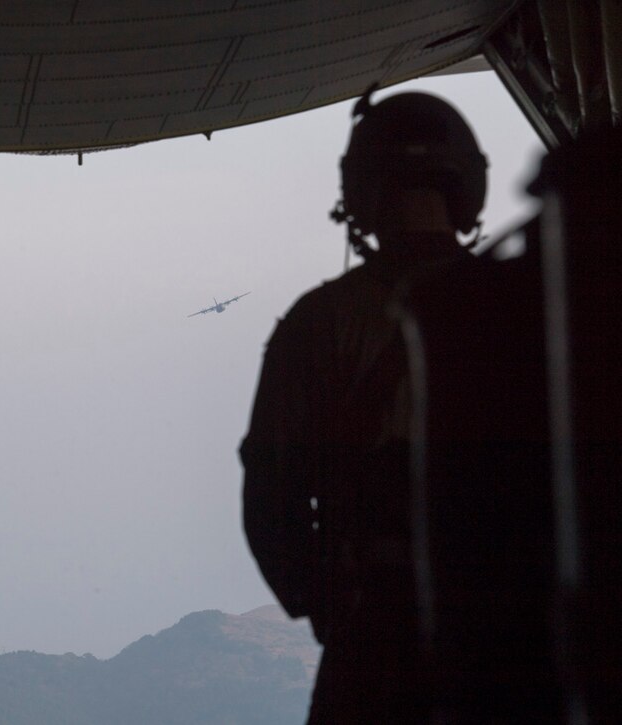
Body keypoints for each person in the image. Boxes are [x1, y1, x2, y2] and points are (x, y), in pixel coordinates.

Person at [238, 90, 488, 723]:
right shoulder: (535, 304)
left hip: (375, 635)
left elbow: (271, 499)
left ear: (362, 190)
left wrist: (328, 609)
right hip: (515, 637)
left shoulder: (320, 323)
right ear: (466, 184)